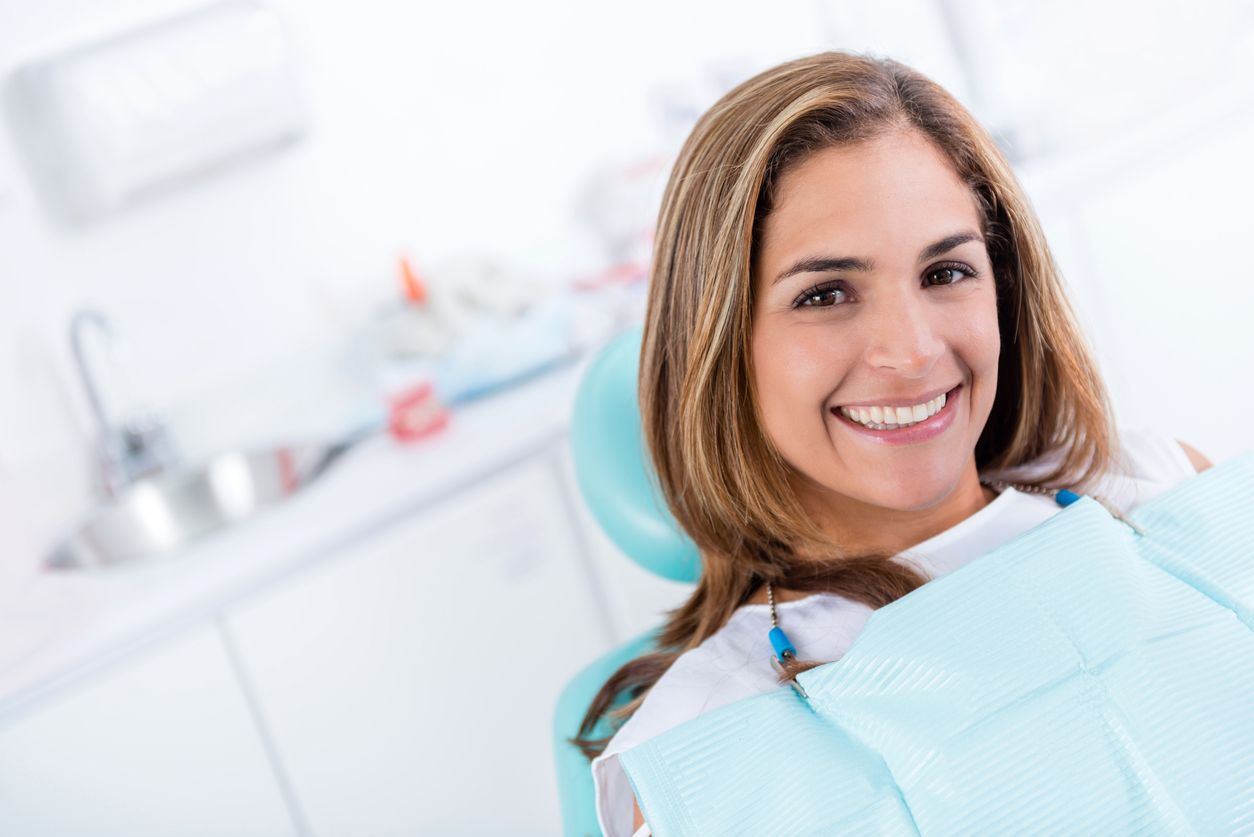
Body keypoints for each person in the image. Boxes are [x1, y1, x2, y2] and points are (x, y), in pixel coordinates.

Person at [572, 50, 1214, 837]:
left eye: (945, 272)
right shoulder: (706, 751)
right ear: (720, 346)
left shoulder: (1160, 489)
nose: (910, 351)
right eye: (825, 293)